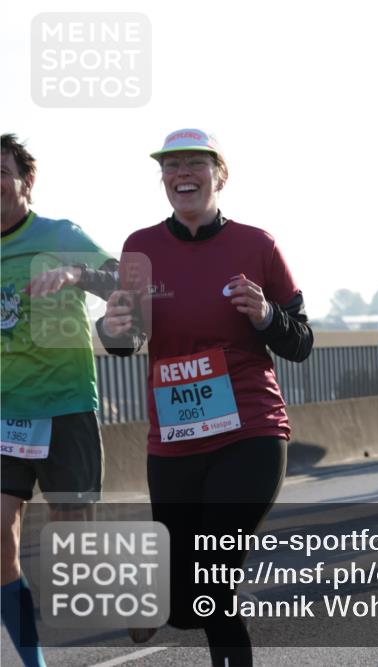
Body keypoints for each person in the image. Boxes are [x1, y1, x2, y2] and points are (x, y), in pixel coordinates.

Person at [98, 129, 313, 666]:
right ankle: (165, 593)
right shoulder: (140, 248)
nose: (181, 173)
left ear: (220, 175)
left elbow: (302, 342)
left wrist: (266, 316)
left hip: (250, 430)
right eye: (171, 166)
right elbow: (126, 344)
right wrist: (112, 327)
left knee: (212, 579)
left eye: (195, 163)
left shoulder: (257, 245)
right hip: (174, 440)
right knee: (196, 603)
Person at [1, 134, 119, 667]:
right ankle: (33, 662)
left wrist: (76, 273)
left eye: (1, 171)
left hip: (67, 405)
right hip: (6, 414)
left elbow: (124, 280)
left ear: (25, 181)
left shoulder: (59, 234)